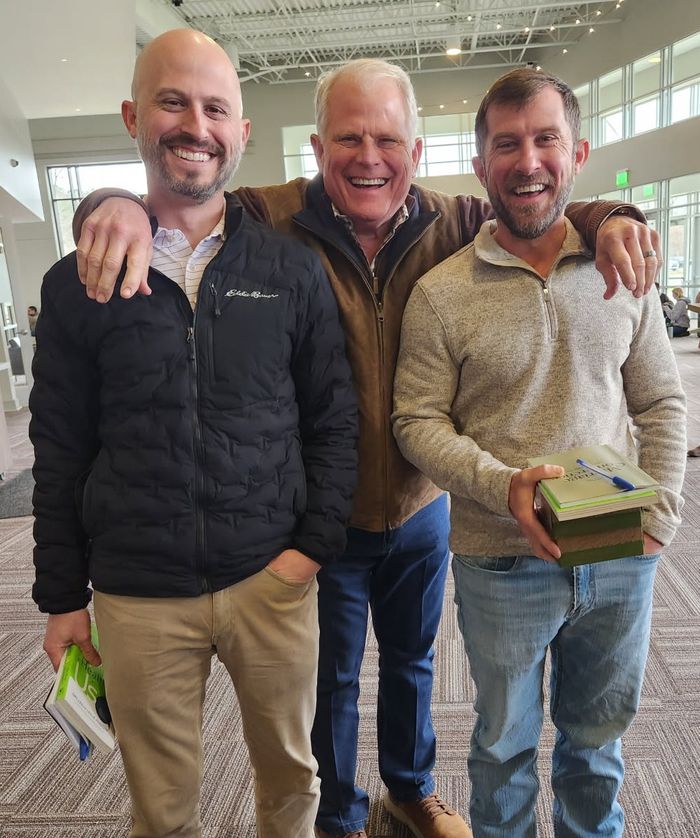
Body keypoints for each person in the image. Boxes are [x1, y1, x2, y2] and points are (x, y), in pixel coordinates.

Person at [69, 59, 661, 838]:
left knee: (414, 663)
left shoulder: (450, 219)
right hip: (321, 509)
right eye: (349, 137)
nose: (369, 157)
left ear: (416, 153)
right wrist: (109, 203)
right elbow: (182, 195)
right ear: (318, 146)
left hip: (420, 505)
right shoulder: (271, 216)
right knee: (332, 681)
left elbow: (541, 200)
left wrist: (615, 214)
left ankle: (409, 791)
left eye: (388, 139)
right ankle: (342, 817)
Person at [30, 29, 357, 838]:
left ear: (243, 132)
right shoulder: (77, 282)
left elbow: (333, 418)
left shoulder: (289, 270)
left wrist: (310, 548)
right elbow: (59, 445)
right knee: (163, 806)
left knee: (291, 780)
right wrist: (62, 598)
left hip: (268, 580)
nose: (196, 126)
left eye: (217, 109)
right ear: (134, 115)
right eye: (173, 102)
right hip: (138, 593)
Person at [392, 68, 686, 837]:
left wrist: (661, 520)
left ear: (577, 152)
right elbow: (416, 423)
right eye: (507, 144)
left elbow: (661, 402)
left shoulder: (625, 272)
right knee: (500, 748)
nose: (528, 161)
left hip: (621, 554)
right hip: (498, 561)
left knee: (596, 746)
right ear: (481, 163)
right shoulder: (441, 293)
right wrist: (502, 484)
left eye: (546, 139)